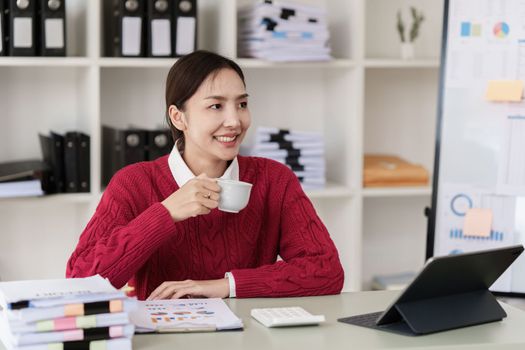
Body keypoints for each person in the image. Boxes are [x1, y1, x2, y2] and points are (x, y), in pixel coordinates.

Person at [66, 50, 344, 300]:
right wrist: (164, 214)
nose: (235, 121)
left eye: (242, 104)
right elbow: (79, 280)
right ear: (178, 117)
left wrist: (226, 285)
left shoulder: (274, 179)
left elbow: (327, 271)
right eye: (216, 106)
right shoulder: (134, 183)